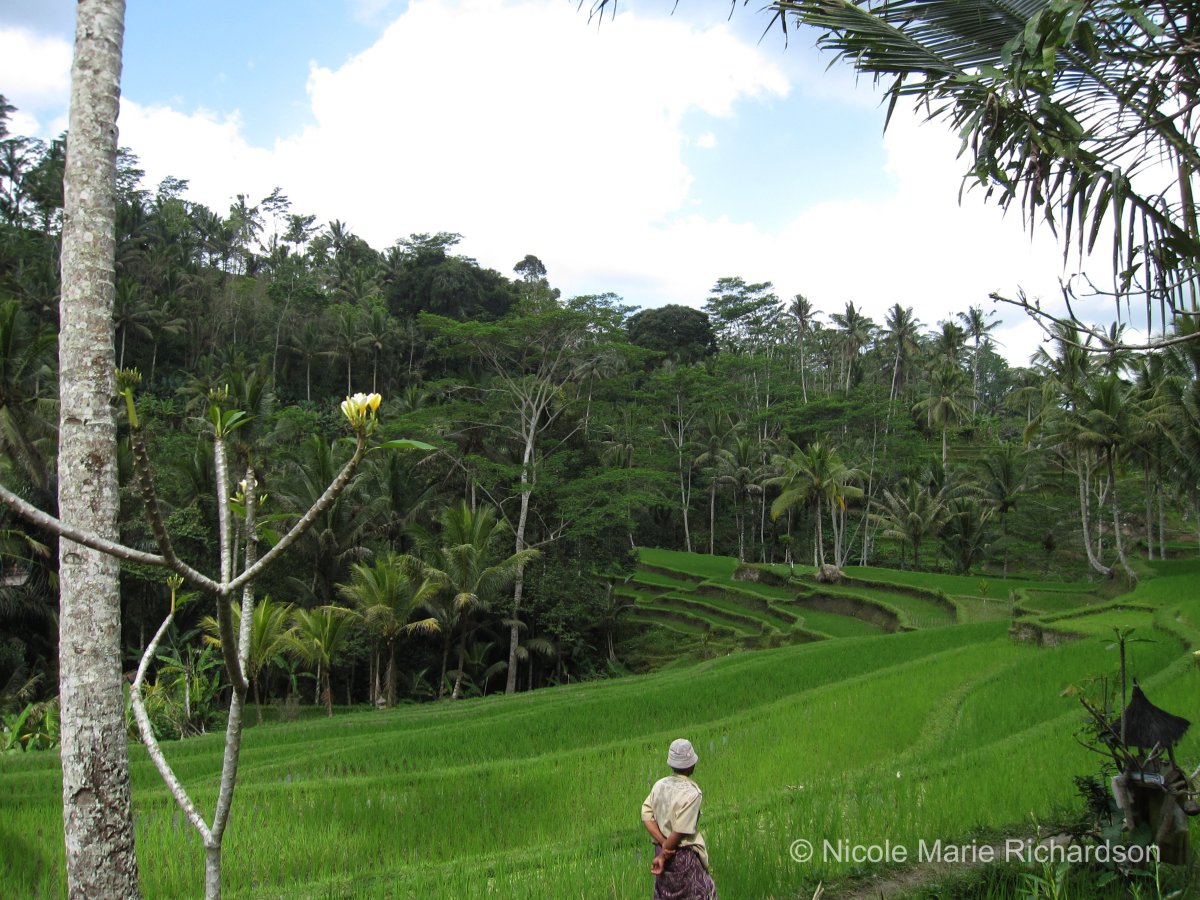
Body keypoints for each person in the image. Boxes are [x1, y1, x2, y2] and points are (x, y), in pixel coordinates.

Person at [640, 738, 718, 899]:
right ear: (691, 766)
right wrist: (664, 854)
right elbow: (680, 831)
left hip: (663, 850)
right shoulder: (692, 793)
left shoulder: (659, 785)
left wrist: (662, 845)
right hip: (681, 855)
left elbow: (646, 815)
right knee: (703, 894)